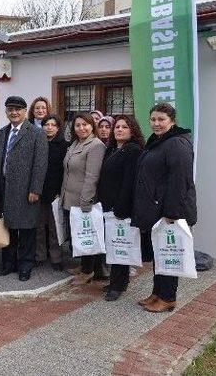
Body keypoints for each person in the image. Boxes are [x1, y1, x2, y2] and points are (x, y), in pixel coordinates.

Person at [132, 103, 196, 313]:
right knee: (159, 253)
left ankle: (168, 297)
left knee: (169, 254)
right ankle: (157, 293)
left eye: (161, 120)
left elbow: (180, 180)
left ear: (172, 120)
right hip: (157, 210)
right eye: (153, 119)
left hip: (170, 212)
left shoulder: (176, 143)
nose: (156, 123)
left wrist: (172, 213)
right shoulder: (158, 142)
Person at [0, 96, 48, 281]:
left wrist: (35, 189)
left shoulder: (36, 133)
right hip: (5, 190)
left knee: (26, 230)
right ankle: (8, 263)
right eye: (10, 109)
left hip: (26, 191)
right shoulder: (0, 134)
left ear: (25, 111)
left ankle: (25, 265)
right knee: (7, 228)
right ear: (6, 111)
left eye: (18, 109)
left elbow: (40, 165)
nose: (14, 112)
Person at [98, 115, 144, 301]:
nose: (119, 130)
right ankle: (117, 281)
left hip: (121, 209)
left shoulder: (133, 151)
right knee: (113, 245)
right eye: (117, 126)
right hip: (108, 206)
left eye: (124, 127)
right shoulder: (112, 150)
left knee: (120, 247)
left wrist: (121, 208)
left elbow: (128, 182)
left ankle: (117, 286)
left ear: (132, 131)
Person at [61, 112, 107, 285]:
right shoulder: (75, 143)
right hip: (69, 198)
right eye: (78, 125)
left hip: (83, 200)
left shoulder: (96, 146)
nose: (81, 128)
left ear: (91, 126)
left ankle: (88, 271)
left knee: (87, 235)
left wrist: (85, 201)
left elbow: (92, 177)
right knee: (78, 235)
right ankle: (84, 266)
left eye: (85, 125)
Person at [36, 114, 69, 271]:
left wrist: (59, 191)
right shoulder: (38, 142)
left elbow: (65, 171)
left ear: (57, 127)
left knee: (55, 227)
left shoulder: (64, 145)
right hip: (38, 191)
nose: (49, 127)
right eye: (46, 124)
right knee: (39, 226)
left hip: (55, 192)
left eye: (52, 125)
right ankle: (40, 256)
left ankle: (56, 258)